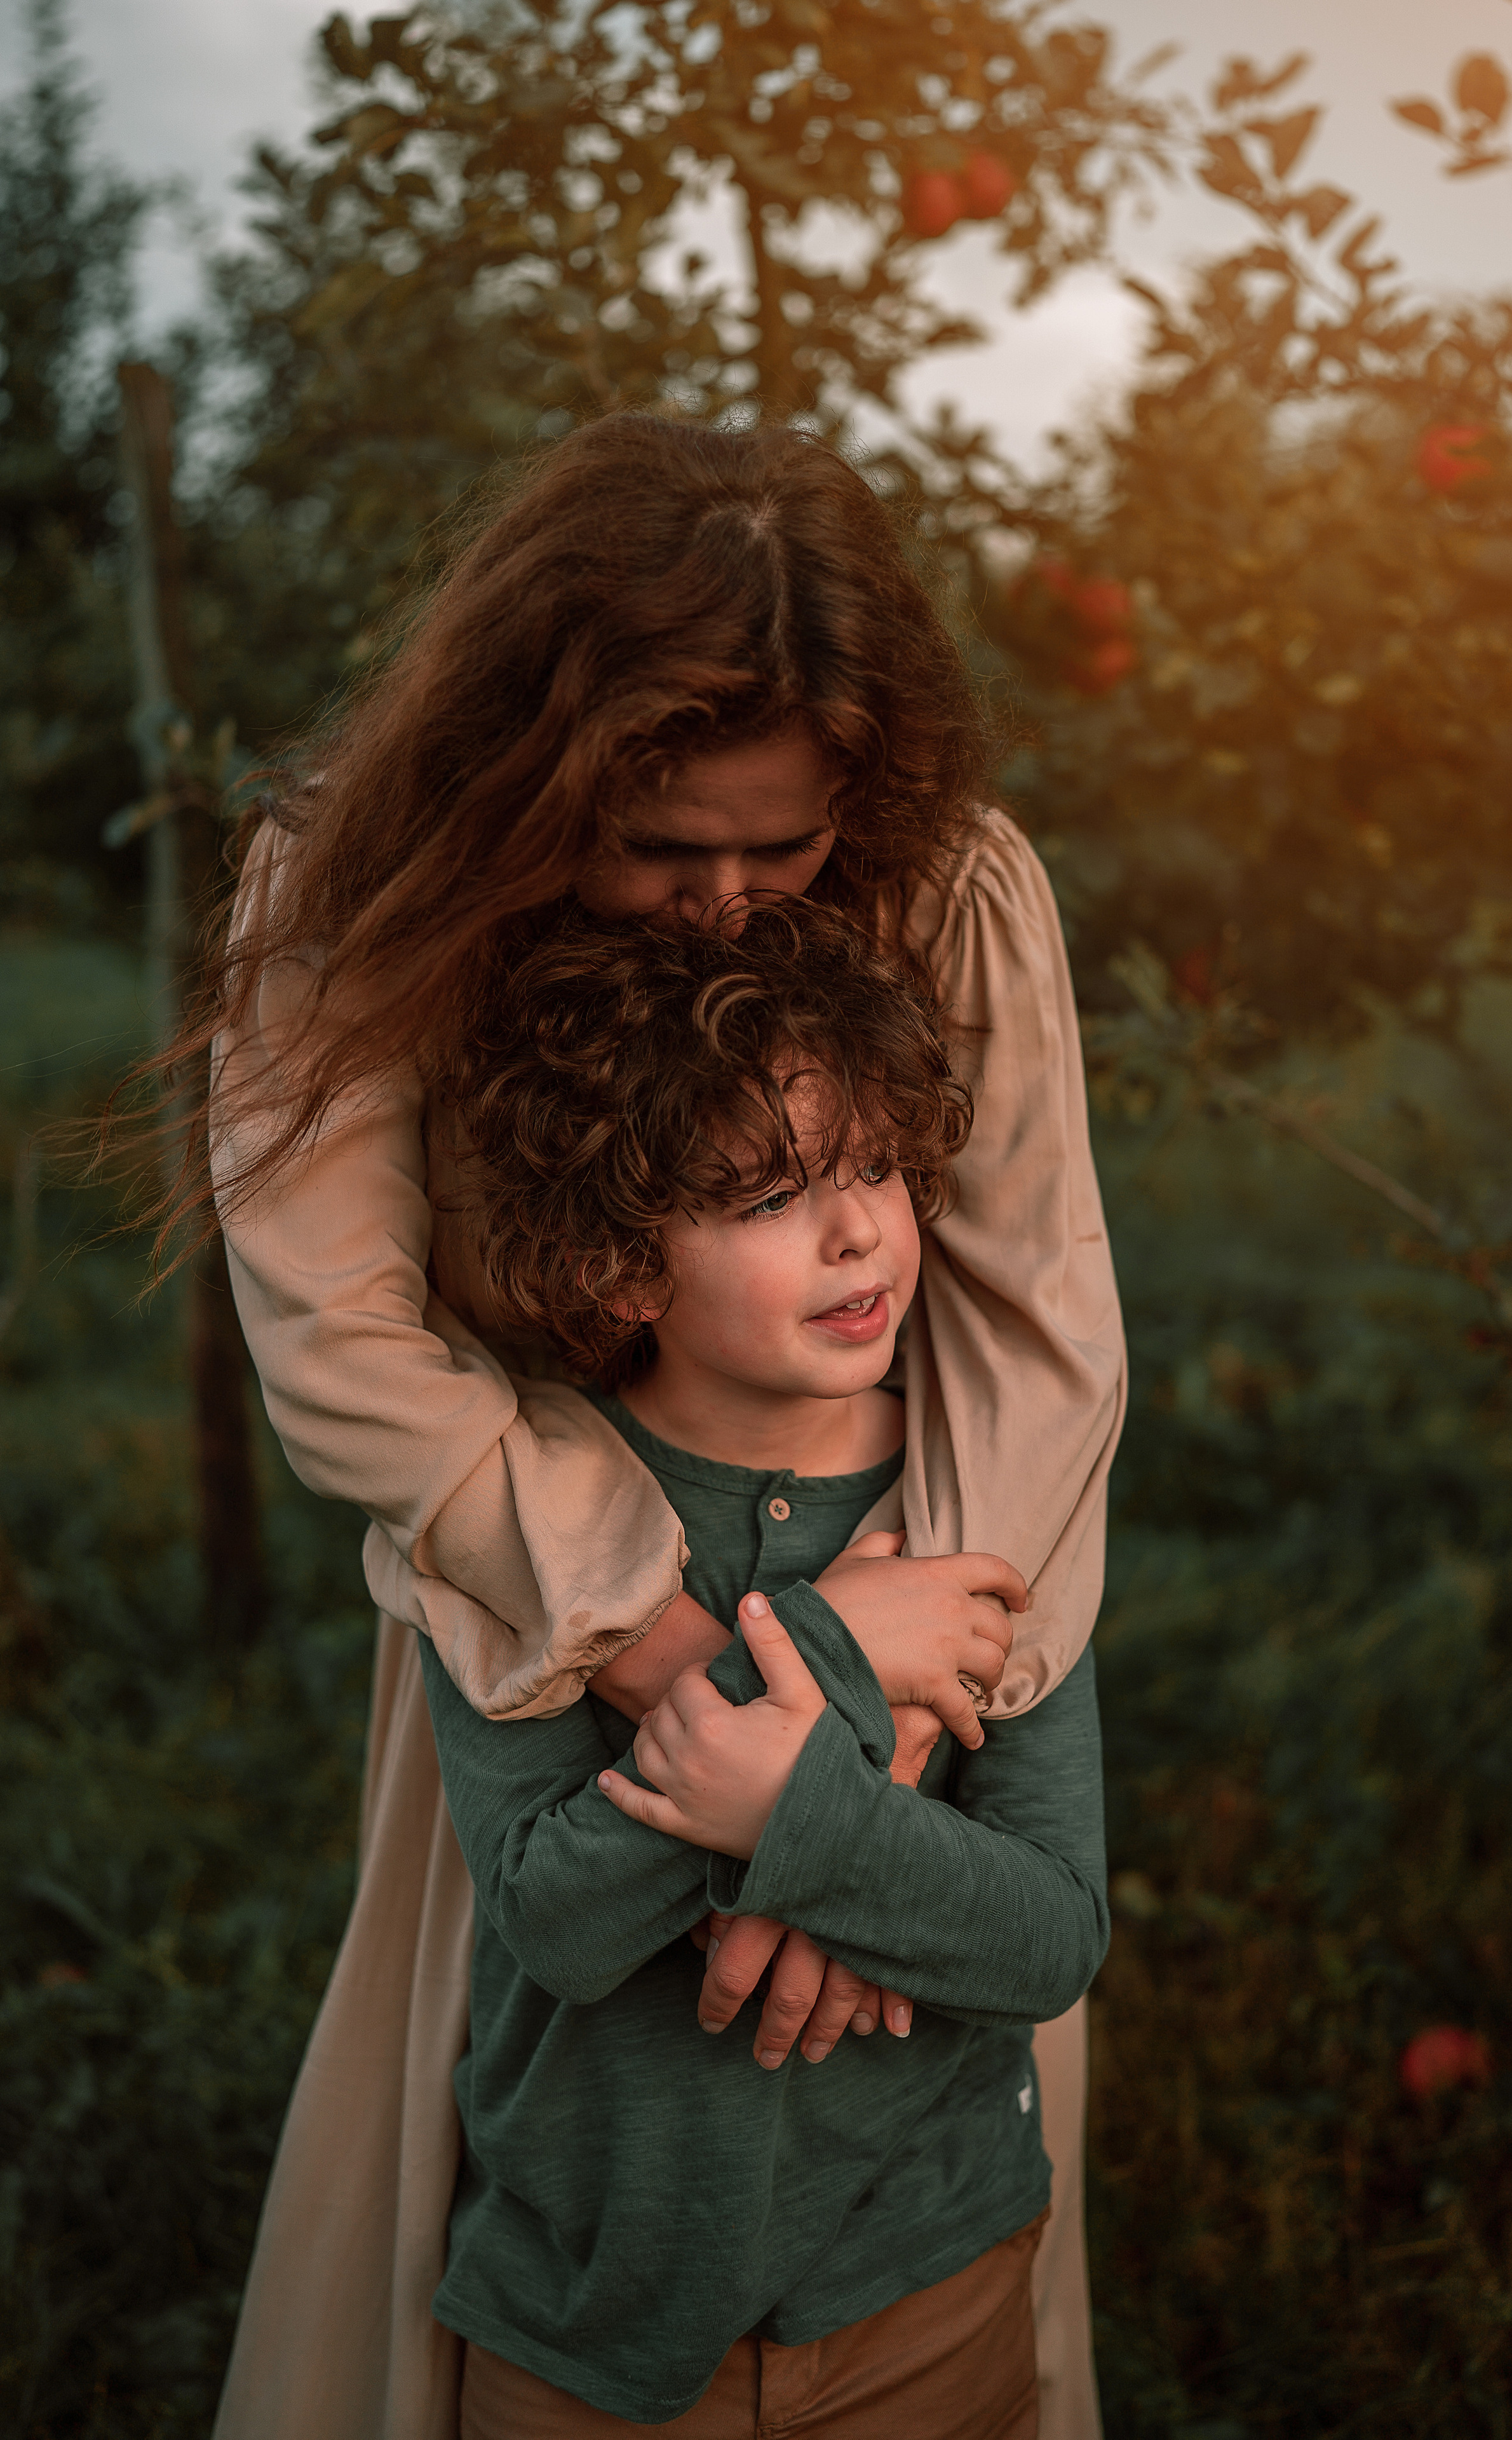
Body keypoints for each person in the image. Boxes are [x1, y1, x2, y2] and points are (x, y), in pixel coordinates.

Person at [201, 412, 1126, 2440]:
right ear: (535, 773)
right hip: (542, 1619)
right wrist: (708, 1677)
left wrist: (875, 1744)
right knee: (575, 2112)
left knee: (893, 2153)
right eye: (656, 845)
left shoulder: (949, 884)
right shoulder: (353, 883)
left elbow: (1036, 1328)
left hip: (935, 1628)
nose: (722, 904)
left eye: (777, 850)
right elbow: (345, 1344)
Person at [425, 897, 1109, 2436]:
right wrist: (826, 1659)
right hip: (582, 2322)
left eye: (871, 1165)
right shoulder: (517, 1510)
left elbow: (1051, 1934)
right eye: (764, 1196)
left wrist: (785, 1804)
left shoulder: (986, 1497)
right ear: (619, 1266)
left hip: (922, 2293)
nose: (858, 1227)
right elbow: (556, 1917)